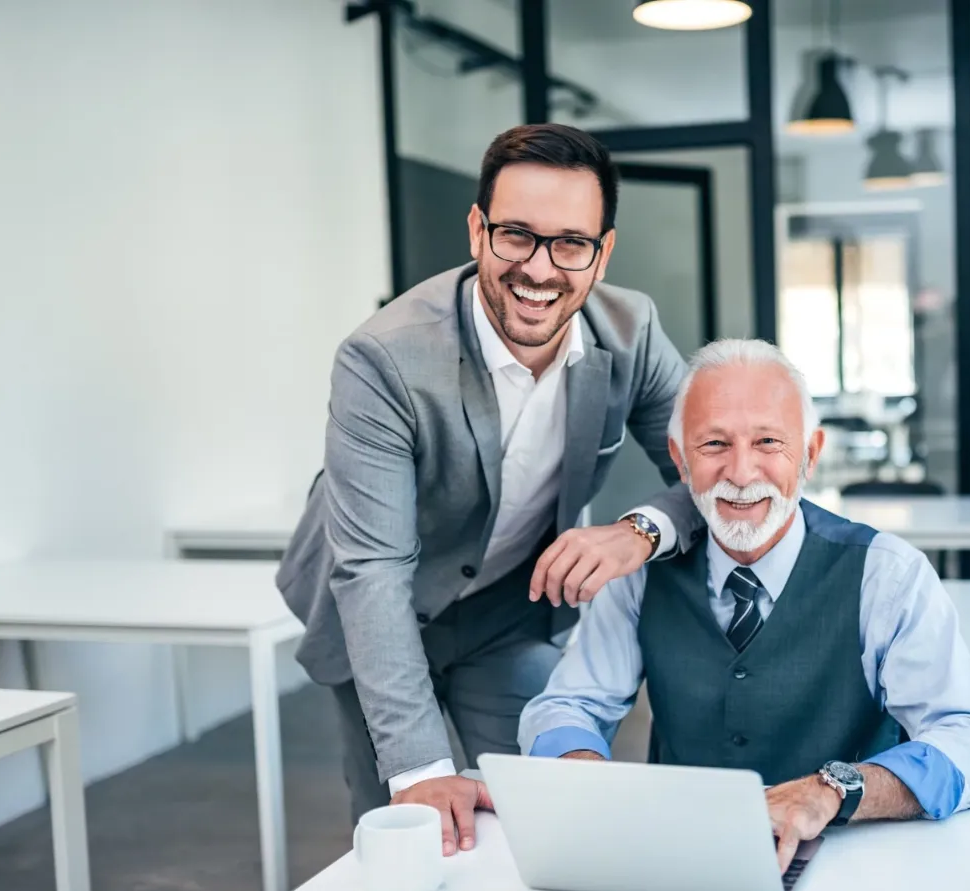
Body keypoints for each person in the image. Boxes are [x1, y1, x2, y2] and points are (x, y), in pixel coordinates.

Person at [276, 124, 703, 850]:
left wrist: (639, 531)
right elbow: (372, 570)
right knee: (407, 832)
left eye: (571, 242)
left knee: (548, 809)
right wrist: (418, 769)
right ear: (477, 230)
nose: (541, 269)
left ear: (602, 254)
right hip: (375, 609)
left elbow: (714, 472)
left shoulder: (631, 332)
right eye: (516, 235)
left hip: (506, 613)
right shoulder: (383, 359)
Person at [519, 339, 970, 873]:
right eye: (713, 444)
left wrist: (833, 791)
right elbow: (566, 706)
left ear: (810, 453)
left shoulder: (887, 575)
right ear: (679, 459)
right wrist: (581, 767)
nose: (740, 472)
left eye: (768, 442)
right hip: (685, 861)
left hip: (856, 866)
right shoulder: (639, 576)